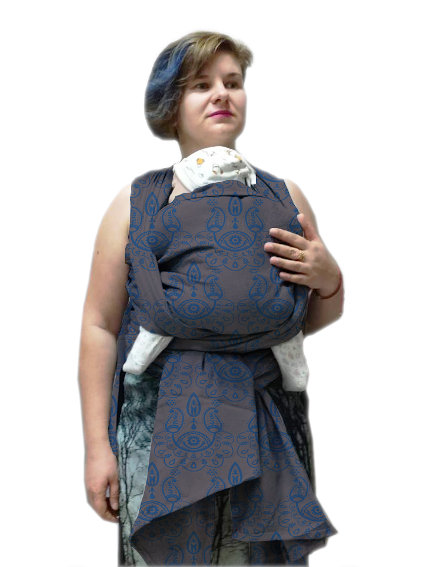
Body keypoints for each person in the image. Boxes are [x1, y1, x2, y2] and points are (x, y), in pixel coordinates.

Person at [78, 31, 344, 566]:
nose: (222, 93)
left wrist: (329, 277)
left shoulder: (283, 196)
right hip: (159, 428)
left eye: (232, 82)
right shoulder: (136, 204)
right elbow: (100, 326)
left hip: (266, 418)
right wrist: (96, 449)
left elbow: (302, 317)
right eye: (201, 85)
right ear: (170, 106)